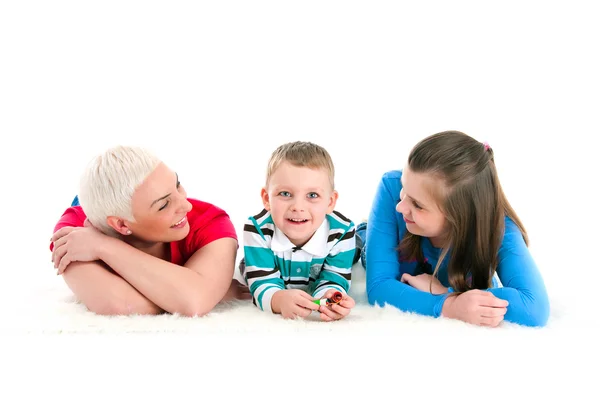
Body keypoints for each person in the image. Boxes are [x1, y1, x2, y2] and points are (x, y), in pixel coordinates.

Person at [356, 131, 549, 327]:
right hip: (374, 240)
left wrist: (445, 293)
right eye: (403, 190)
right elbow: (379, 286)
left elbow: (534, 307)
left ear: (458, 217)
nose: (400, 207)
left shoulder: (498, 228)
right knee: (359, 247)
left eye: (418, 205)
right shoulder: (390, 188)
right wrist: (449, 305)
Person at [49, 145, 249, 316]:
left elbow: (195, 300)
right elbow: (118, 303)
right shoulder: (74, 232)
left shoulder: (210, 221)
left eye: (177, 186)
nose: (186, 206)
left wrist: (103, 246)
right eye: (163, 205)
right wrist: (205, 293)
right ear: (121, 225)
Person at [240, 141, 357, 321]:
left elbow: (334, 278)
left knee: (359, 252)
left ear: (330, 202)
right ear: (266, 198)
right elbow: (262, 284)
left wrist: (330, 298)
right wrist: (279, 299)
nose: (298, 207)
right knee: (248, 272)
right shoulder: (257, 230)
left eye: (312, 195)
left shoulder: (342, 232)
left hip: (340, 250)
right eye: (285, 194)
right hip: (265, 265)